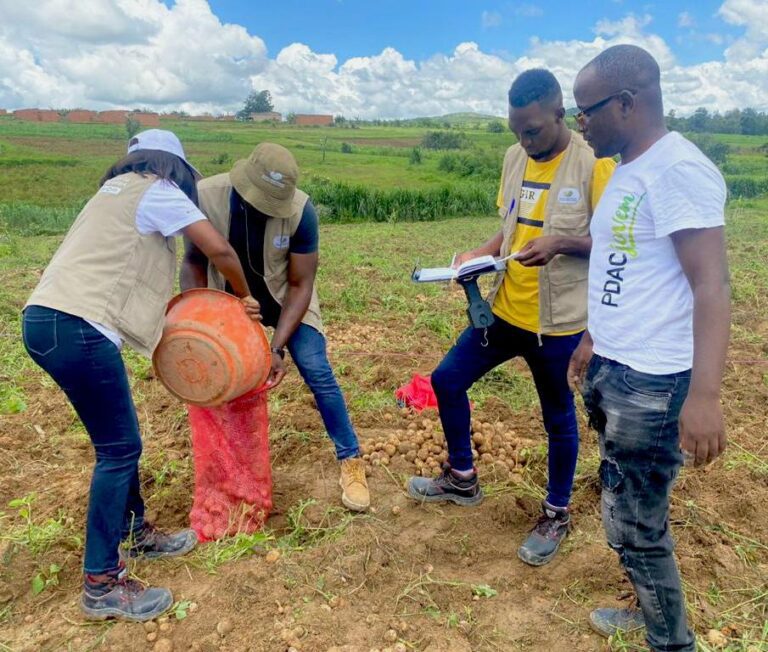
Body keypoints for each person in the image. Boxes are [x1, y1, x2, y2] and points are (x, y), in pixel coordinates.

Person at [22, 129, 260, 622]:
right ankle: (101, 584)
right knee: (119, 450)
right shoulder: (158, 189)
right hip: (77, 327)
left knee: (118, 442)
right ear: (174, 168)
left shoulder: (110, 193)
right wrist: (241, 296)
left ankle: (133, 531)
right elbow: (219, 251)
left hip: (46, 321)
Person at [407, 69, 615, 565]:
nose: (525, 141)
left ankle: (556, 512)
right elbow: (510, 229)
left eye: (534, 131)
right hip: (503, 310)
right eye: (517, 131)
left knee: (558, 419)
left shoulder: (593, 165)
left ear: (560, 114)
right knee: (447, 380)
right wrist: (479, 253)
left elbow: (613, 248)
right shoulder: (514, 158)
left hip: (560, 323)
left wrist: (562, 243)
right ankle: (462, 477)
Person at [568, 45, 730, 650]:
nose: (579, 124)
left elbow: (710, 284)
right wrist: (592, 337)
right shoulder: (630, 170)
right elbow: (622, 264)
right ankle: (651, 610)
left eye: (586, 111)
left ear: (628, 104)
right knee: (628, 504)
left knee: (636, 523)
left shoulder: (677, 172)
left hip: (656, 386)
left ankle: (671, 641)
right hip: (616, 366)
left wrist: (705, 395)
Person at [180, 143, 370, 513]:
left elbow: (300, 284)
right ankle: (229, 473)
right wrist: (199, 318)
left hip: (285, 299)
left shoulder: (301, 212)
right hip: (228, 301)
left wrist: (277, 348)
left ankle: (351, 460)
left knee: (316, 368)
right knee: (219, 379)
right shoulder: (206, 198)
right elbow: (192, 261)